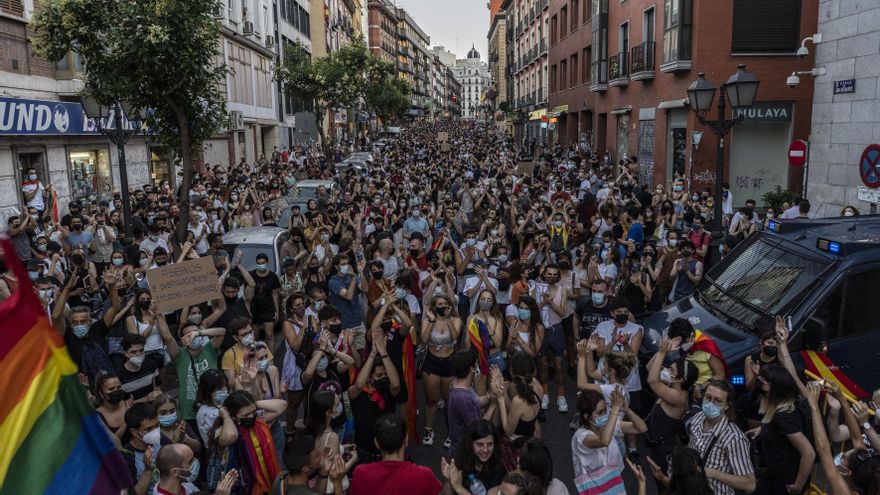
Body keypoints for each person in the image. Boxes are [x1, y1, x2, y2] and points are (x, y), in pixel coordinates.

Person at [665, 379, 755, 495]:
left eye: (717, 401)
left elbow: (750, 484)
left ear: (727, 406)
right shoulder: (698, 418)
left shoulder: (734, 438)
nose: (711, 403)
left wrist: (714, 473)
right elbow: (691, 448)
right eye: (708, 397)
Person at [571, 387, 645, 495]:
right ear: (587, 417)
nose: (605, 414)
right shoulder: (581, 437)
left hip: (614, 485)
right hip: (593, 489)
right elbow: (604, 441)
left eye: (605, 409)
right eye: (600, 412)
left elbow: (642, 428)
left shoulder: (609, 426)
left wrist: (627, 410)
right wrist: (615, 408)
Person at [644, 336, 699, 475]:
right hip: (656, 445)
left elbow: (652, 381)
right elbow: (650, 368)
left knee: (664, 485)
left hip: (665, 451)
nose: (667, 371)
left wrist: (662, 353)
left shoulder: (679, 398)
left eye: (671, 371)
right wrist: (663, 351)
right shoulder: (671, 385)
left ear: (680, 379)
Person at [349, 414, 442, 495]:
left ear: (376, 443)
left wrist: (338, 483)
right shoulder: (424, 476)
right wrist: (450, 482)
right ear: (406, 440)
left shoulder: (360, 474)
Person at [347, 327, 400, 460]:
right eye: (379, 375)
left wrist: (383, 352)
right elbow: (359, 384)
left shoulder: (388, 391)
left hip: (386, 453)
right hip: (363, 451)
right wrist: (373, 353)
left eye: (385, 374)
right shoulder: (358, 393)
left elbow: (396, 384)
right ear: (369, 378)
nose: (384, 378)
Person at [420, 294, 461, 447]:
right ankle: (428, 429)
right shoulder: (427, 320)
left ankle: (452, 432)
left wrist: (448, 318)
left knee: (449, 399)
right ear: (434, 306)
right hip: (432, 362)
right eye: (439, 304)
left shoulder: (456, 320)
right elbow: (423, 340)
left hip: (450, 362)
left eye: (445, 304)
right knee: (431, 400)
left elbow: (455, 337)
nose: (442, 306)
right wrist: (431, 321)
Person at [271, 434, 348, 495]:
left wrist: (323, 471)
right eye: (317, 455)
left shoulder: (280, 478)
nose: (322, 455)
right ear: (306, 468)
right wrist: (337, 484)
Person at [446, 348, 485, 456]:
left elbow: (476, 402)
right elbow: (478, 430)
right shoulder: (464, 399)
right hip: (464, 453)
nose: (478, 367)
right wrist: (496, 404)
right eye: (476, 364)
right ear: (472, 368)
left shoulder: (457, 383)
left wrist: (491, 397)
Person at [454, 420, 507, 494]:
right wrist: (450, 479)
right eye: (480, 444)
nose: (485, 450)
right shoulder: (462, 460)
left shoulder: (498, 470)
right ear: (471, 444)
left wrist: (459, 488)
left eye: (490, 444)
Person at [648, 447, 714, 495]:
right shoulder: (705, 489)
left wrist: (641, 482)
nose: (669, 471)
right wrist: (662, 478)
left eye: (671, 467)